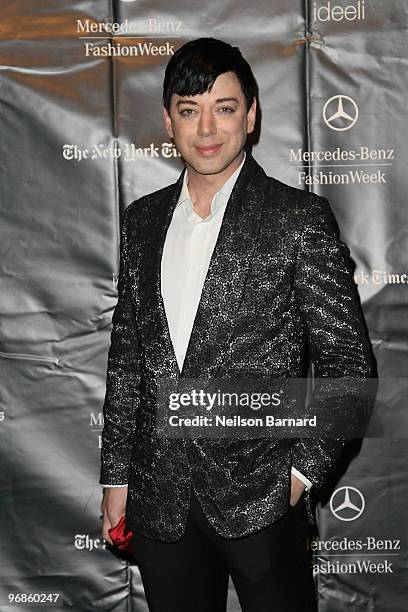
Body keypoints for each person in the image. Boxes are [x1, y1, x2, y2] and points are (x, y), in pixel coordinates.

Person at [99, 38, 376, 612]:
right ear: (168, 121)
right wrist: (115, 477)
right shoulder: (143, 220)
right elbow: (128, 357)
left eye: (224, 108)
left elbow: (349, 365)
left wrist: (299, 474)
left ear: (250, 116)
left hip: (263, 497)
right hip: (160, 499)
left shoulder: (296, 219)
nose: (206, 128)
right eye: (189, 109)